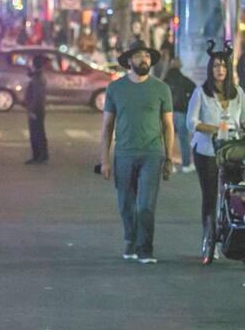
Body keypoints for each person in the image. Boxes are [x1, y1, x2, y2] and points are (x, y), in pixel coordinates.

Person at [100, 40, 174, 264]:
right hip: (123, 153)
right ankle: (130, 239)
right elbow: (106, 127)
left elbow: (168, 125)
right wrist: (104, 160)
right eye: (140, 56)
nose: (145, 60)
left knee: (145, 205)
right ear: (129, 61)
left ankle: (145, 248)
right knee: (125, 204)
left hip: (152, 153)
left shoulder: (161, 88)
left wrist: (169, 157)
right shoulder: (115, 88)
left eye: (148, 56)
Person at [187, 41, 245, 264]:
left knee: (234, 192)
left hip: (232, 150)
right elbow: (191, 123)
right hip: (206, 149)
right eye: (216, 66)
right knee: (210, 195)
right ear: (210, 70)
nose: (220, 70)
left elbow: (242, 121)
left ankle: (234, 231)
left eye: (223, 66)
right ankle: (209, 236)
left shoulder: (238, 93)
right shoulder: (201, 93)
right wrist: (215, 129)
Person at [164, 57, 196, 173]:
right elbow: (194, 89)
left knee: (168, 139)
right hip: (181, 112)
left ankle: (169, 165)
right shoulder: (183, 79)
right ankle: (186, 165)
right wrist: (187, 103)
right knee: (183, 139)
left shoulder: (165, 79)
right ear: (180, 66)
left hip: (167, 113)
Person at [24, 54, 48, 165]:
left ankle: (39, 156)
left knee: (36, 133)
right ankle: (41, 155)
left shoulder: (38, 78)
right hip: (38, 108)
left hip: (36, 109)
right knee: (39, 132)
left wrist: (32, 110)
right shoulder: (38, 75)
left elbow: (37, 96)